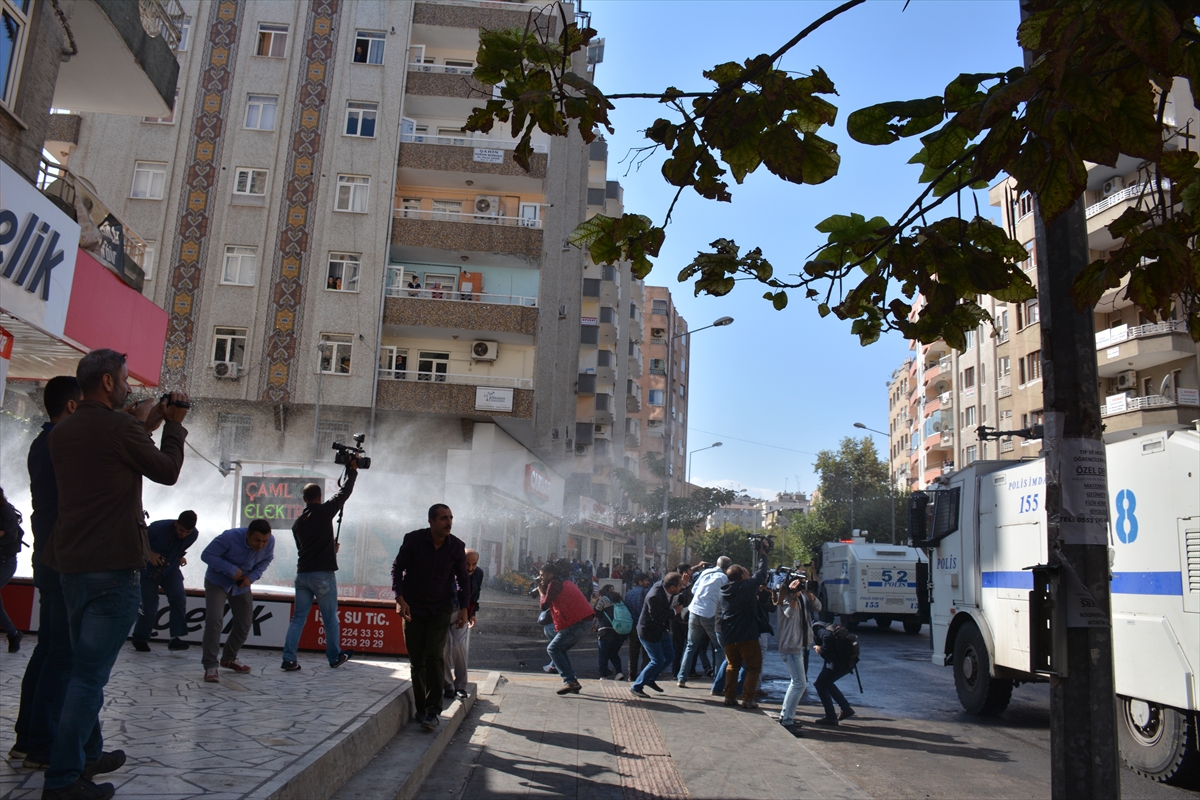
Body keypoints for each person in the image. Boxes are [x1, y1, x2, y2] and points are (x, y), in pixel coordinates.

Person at [40, 350, 189, 799]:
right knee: (88, 679)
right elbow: (166, 471)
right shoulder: (121, 428)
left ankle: (89, 754)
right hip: (114, 569)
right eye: (124, 379)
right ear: (107, 382)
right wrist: (176, 425)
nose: (129, 387)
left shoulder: (61, 433)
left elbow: (114, 449)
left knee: (80, 672)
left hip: (72, 567)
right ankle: (63, 780)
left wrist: (148, 422)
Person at [12, 376, 80, 768]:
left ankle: (29, 738)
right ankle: (42, 744)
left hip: (48, 558)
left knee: (50, 650)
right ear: (72, 407)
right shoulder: (60, 443)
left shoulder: (45, 442)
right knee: (61, 654)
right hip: (62, 561)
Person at [392, 504, 470, 732]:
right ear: (431, 521)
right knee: (417, 661)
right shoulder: (414, 540)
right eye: (444, 518)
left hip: (440, 608)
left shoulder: (456, 546)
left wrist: (465, 608)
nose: (449, 522)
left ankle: (433, 712)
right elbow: (397, 568)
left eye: (451, 518)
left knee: (435, 655)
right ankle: (422, 708)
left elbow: (463, 579)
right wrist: (399, 597)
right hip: (413, 608)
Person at [281, 462, 358, 672]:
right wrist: (352, 470)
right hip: (322, 575)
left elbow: (302, 549)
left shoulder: (298, 523)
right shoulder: (324, 512)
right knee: (330, 618)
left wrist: (328, 548)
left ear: (304, 499)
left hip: (302, 574)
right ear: (320, 496)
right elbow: (345, 492)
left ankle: (289, 659)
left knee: (298, 618)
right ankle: (334, 656)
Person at [200, 520, 275, 683]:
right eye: (257, 540)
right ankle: (210, 665)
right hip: (217, 582)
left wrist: (251, 577)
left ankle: (229, 658)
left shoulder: (270, 542)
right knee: (214, 621)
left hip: (242, 584)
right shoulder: (229, 537)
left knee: (245, 622)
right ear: (247, 535)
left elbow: (266, 560)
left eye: (264, 541)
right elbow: (206, 555)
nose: (261, 545)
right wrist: (231, 570)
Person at [131, 510, 199, 652]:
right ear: (176, 523)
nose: (184, 534)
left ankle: (176, 638)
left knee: (179, 597)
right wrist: (150, 554)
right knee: (149, 607)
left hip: (170, 568)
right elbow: (136, 542)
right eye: (181, 530)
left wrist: (180, 556)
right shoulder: (157, 528)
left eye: (188, 532)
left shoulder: (194, 535)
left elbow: (181, 548)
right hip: (148, 570)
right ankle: (140, 638)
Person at [718, 547, 771, 710]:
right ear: (742, 577)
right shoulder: (746, 588)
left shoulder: (723, 591)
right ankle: (748, 699)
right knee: (754, 667)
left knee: (732, 666)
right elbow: (761, 574)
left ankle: (729, 696)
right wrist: (763, 555)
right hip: (747, 635)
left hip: (729, 635)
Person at [677, 556, 730, 688]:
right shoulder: (724, 578)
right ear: (726, 568)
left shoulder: (706, 572)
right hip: (710, 613)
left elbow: (694, 590)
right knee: (718, 648)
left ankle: (682, 678)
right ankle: (718, 681)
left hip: (694, 611)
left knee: (690, 646)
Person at [777, 577, 822, 729]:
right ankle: (787, 720)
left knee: (796, 682)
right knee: (799, 683)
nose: (800, 585)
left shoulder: (803, 596)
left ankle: (785, 715)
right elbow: (790, 614)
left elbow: (818, 607)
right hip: (791, 646)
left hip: (802, 645)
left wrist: (809, 593)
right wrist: (793, 595)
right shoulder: (783, 596)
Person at [630, 572, 683, 697]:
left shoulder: (664, 584)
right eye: (680, 585)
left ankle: (650, 678)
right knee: (657, 660)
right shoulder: (654, 596)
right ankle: (637, 686)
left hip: (661, 629)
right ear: (672, 588)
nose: (682, 588)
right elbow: (657, 617)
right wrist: (675, 611)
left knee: (670, 656)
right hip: (649, 631)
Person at [443, 548, 484, 700]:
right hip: (442, 612)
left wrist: (472, 613)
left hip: (462, 612)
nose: (470, 568)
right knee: (443, 648)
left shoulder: (478, 573)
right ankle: (447, 685)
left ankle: (460, 685)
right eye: (467, 564)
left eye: (474, 564)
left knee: (459, 645)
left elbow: (475, 595)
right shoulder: (448, 569)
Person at [812, 622, 857, 725]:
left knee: (820, 684)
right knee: (826, 682)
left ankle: (831, 717)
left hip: (839, 662)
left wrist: (821, 649)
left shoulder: (816, 628)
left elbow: (827, 638)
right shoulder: (825, 626)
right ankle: (845, 709)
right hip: (848, 661)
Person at [0, 487, 25, 651]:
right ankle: (13, 633)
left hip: (4, 562)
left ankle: (13, 633)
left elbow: (7, 535)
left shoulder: (5, 511)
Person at [592, 585, 626, 680]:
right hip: (620, 630)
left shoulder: (603, 599)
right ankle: (619, 673)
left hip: (606, 630)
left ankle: (603, 675)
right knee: (614, 653)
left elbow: (596, 613)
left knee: (603, 653)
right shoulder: (620, 601)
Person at [623, 574, 651, 678]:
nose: (648, 582)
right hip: (645, 626)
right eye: (646, 580)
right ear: (640, 582)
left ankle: (632, 675)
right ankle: (644, 675)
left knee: (633, 652)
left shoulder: (629, 594)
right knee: (646, 653)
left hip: (633, 626)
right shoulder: (648, 593)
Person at [669, 562, 693, 677]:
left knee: (682, 647)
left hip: (680, 620)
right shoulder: (680, 586)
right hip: (680, 620)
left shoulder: (686, 585)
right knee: (681, 647)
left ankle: (684, 670)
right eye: (690, 570)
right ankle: (679, 671)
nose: (692, 573)